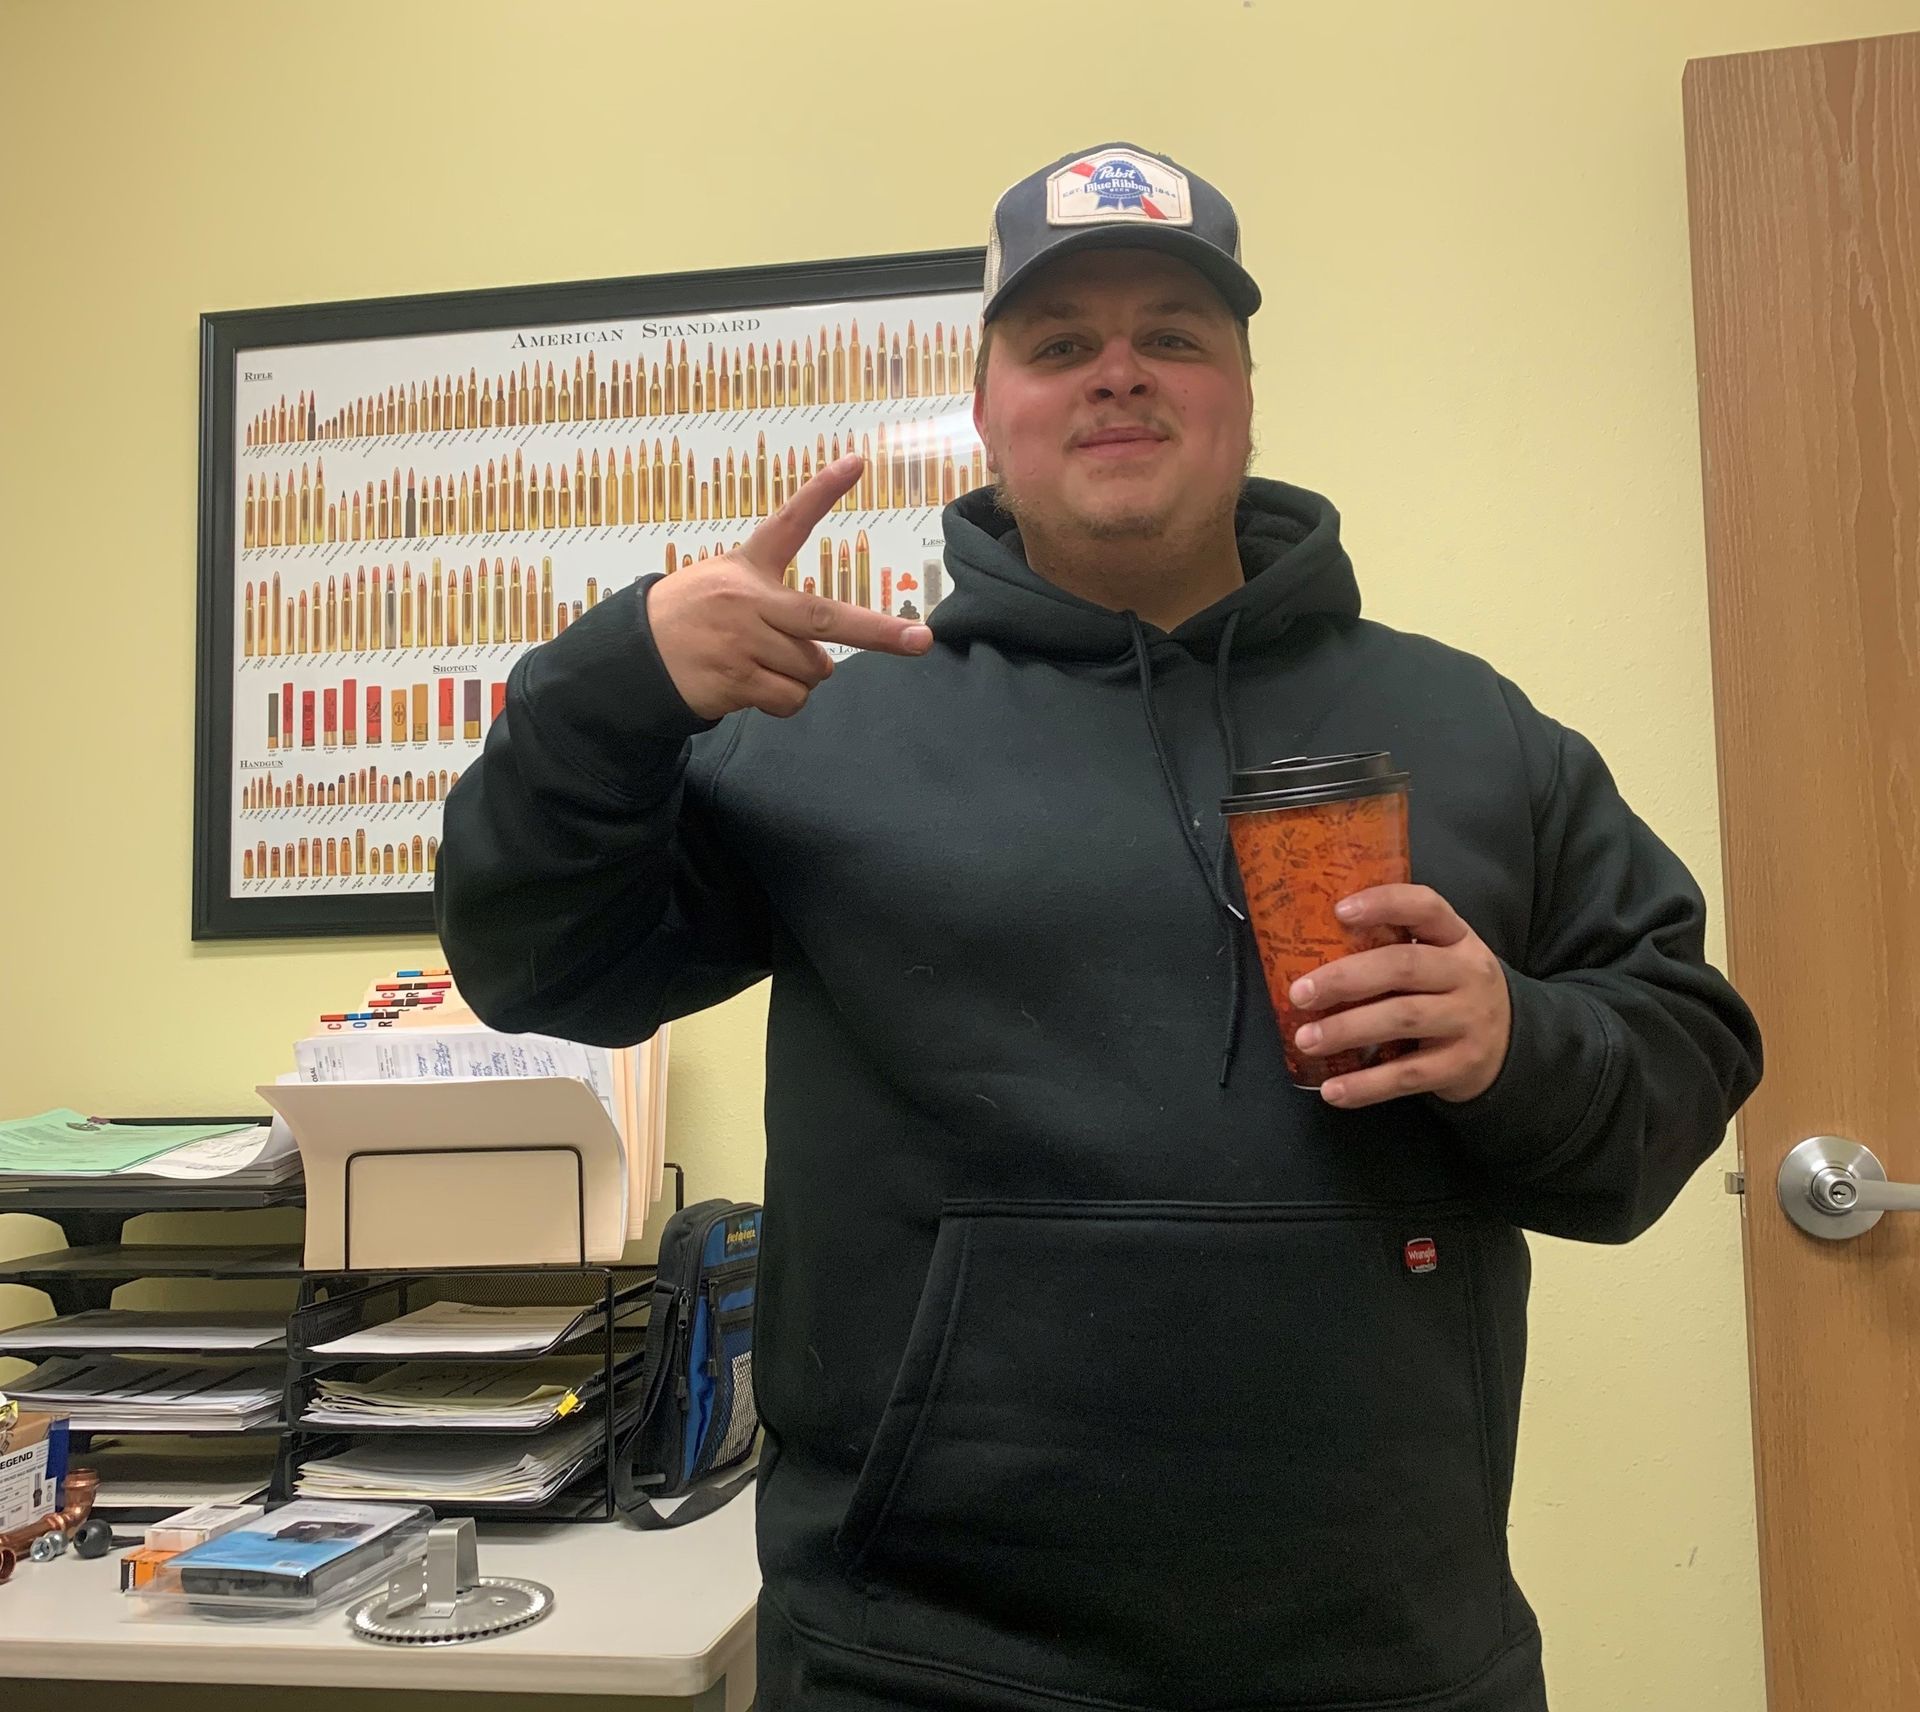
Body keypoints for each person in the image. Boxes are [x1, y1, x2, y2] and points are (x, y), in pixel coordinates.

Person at [435, 142, 1762, 1712]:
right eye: (1061, 344)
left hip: (1395, 1655)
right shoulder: (822, 736)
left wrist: (1516, 1040)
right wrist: (611, 692)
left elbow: (1682, 1058)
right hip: (920, 1662)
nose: (1117, 375)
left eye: (1173, 336)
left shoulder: (1471, 729)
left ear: (1244, 394)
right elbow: (540, 968)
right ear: (991, 412)